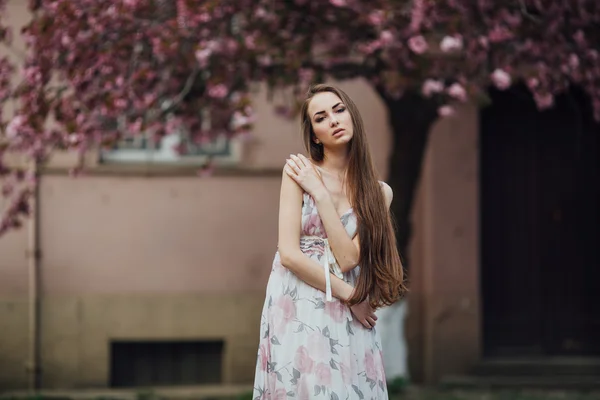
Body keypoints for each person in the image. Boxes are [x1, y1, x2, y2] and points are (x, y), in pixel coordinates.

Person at [252, 84, 407, 399]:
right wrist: (353, 296)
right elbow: (290, 255)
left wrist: (321, 194)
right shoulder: (297, 173)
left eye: (339, 110)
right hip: (297, 297)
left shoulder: (378, 193)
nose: (334, 120)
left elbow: (349, 258)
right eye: (321, 117)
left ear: (352, 116)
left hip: (349, 307)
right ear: (314, 135)